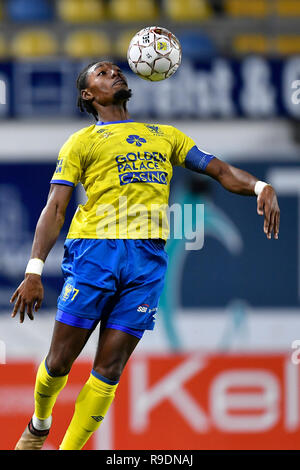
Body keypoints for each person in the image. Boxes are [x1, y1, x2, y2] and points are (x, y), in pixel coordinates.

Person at [10, 61, 280, 451]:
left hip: (147, 262)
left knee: (110, 369)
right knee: (59, 363)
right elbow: (55, 208)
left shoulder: (165, 136)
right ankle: (39, 423)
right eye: (101, 74)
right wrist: (34, 271)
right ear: (88, 94)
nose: (114, 73)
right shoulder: (81, 142)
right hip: (94, 253)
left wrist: (259, 186)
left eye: (115, 70)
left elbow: (219, 170)